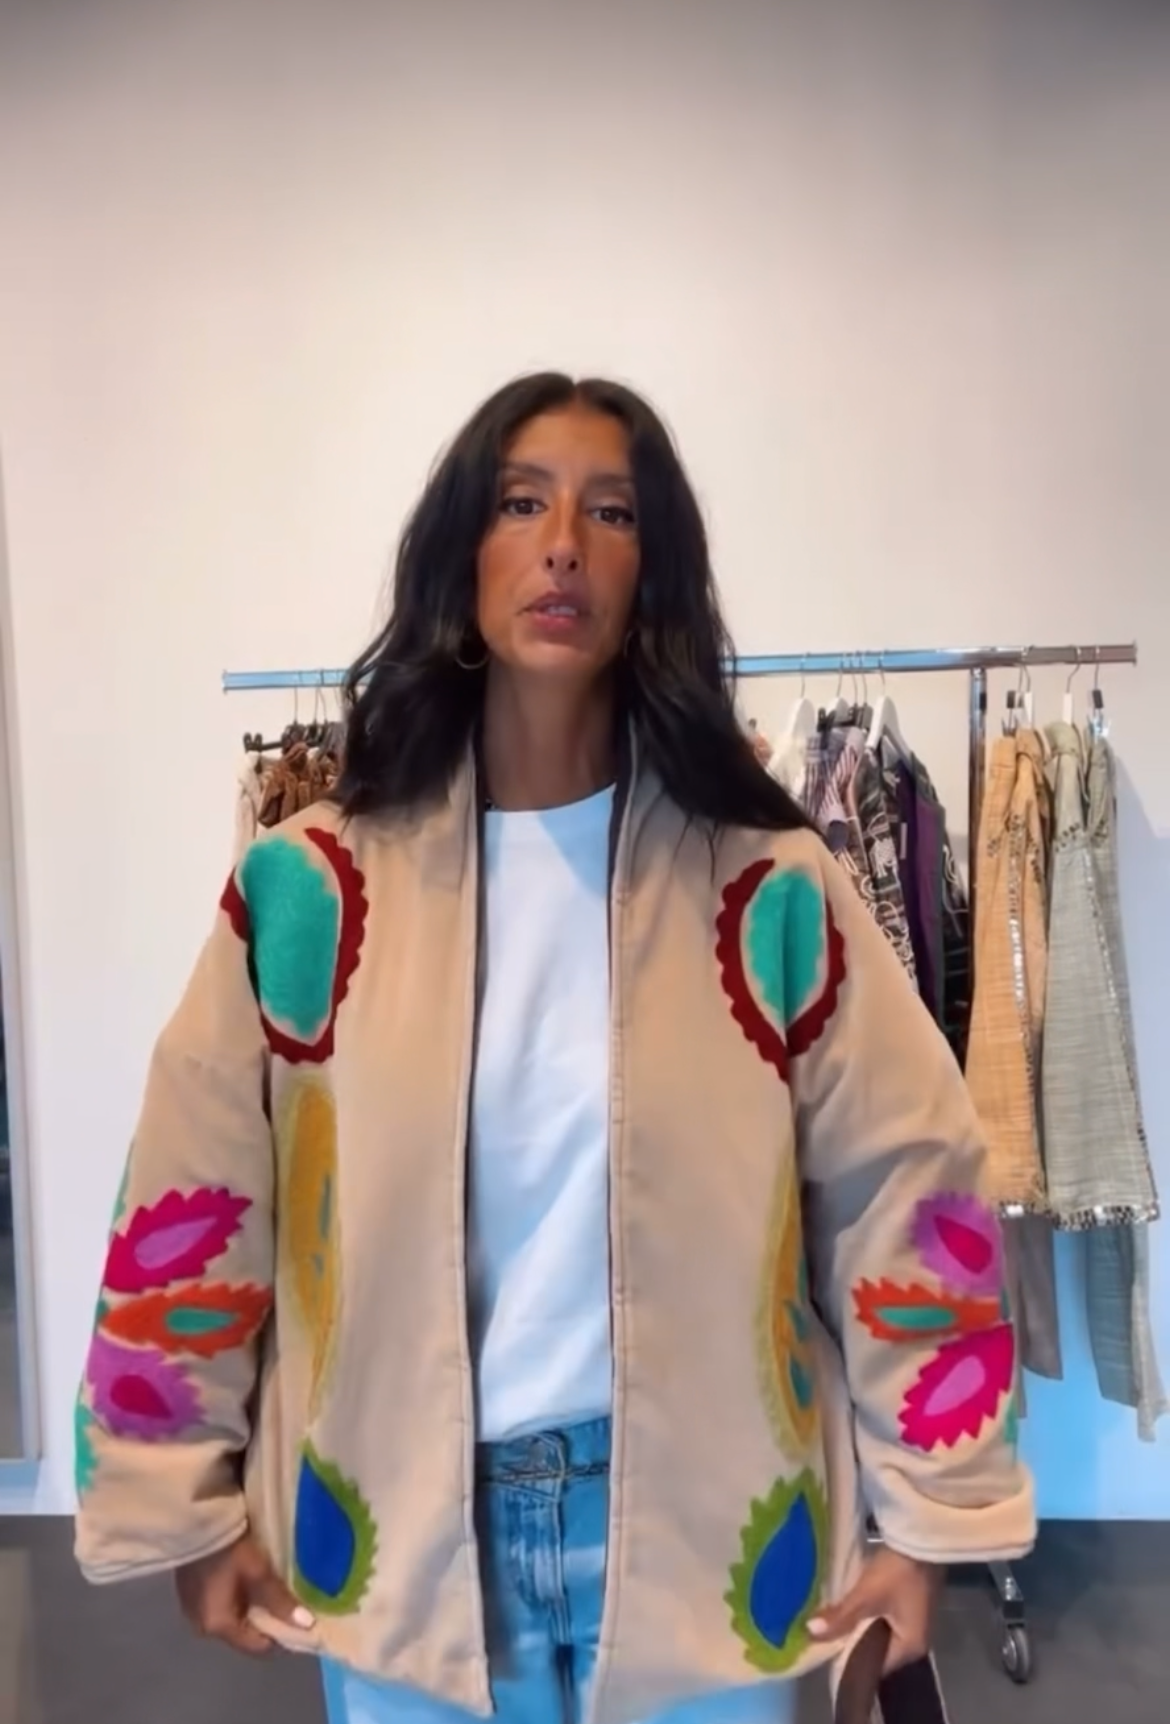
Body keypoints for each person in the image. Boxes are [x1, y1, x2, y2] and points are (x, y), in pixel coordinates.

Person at [74, 374, 1035, 1724]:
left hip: (710, 1536)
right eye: (521, 503)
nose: (564, 544)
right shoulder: (310, 889)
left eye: (612, 512)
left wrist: (932, 1515)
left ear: (654, 574)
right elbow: (196, 1191)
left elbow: (909, 1186)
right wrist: (179, 1496)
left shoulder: (769, 890)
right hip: (405, 1536)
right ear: (459, 552)